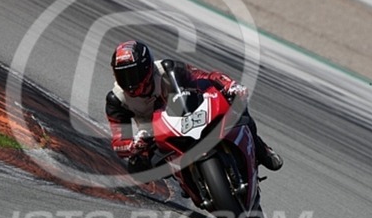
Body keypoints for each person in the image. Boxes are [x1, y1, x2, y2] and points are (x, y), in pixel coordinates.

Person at [105, 39, 283, 175]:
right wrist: (134, 144)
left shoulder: (168, 69)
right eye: (123, 76)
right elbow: (118, 142)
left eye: (134, 74)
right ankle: (186, 179)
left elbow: (206, 76)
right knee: (136, 169)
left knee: (236, 104)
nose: (130, 83)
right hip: (154, 134)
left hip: (185, 114)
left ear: (147, 67)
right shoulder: (116, 99)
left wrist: (230, 85)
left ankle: (261, 149)